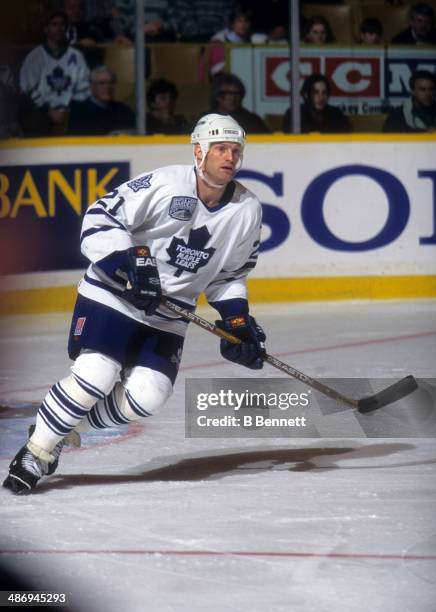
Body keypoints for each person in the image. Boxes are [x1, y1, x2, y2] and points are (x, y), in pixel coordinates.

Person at [3, 113, 266, 495]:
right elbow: (100, 216)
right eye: (220, 149)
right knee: (96, 374)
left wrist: (237, 319)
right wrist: (125, 264)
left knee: (149, 395)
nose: (229, 157)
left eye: (235, 150)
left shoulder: (247, 209)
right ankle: (36, 451)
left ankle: (63, 427)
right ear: (199, 152)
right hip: (113, 295)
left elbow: (229, 275)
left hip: (169, 315)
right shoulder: (165, 183)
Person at [19, 10, 90, 136]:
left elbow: (84, 88)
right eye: (54, 24)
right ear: (46, 29)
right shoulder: (35, 57)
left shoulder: (76, 56)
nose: (59, 28)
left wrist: (68, 110)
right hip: (42, 113)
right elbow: (26, 89)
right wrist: (48, 110)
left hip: (71, 112)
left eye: (62, 24)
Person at [68, 65, 135, 135]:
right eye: (102, 83)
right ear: (92, 86)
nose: (107, 87)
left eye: (111, 82)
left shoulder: (124, 110)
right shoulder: (79, 112)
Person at [282, 74, 351, 134]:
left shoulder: (336, 114)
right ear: (306, 94)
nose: (321, 97)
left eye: (324, 93)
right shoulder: (295, 114)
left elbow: (348, 140)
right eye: (316, 92)